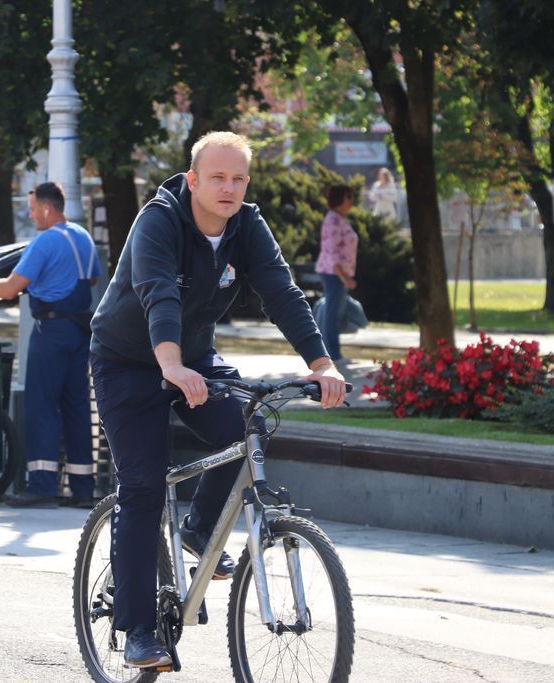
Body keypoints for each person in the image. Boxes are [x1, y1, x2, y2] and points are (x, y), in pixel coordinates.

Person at [88, 131, 347, 669]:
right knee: (141, 484)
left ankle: (200, 527)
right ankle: (137, 628)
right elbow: (157, 290)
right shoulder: (158, 220)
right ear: (193, 180)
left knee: (247, 427)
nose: (228, 188)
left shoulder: (246, 225)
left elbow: (281, 291)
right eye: (217, 177)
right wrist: (168, 363)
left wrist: (321, 364)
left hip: (194, 358)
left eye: (238, 178)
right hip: (129, 361)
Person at [0, 182, 100, 508]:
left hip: (51, 330)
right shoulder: (83, 237)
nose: (31, 216)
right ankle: (83, 489)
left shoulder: (44, 242)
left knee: (42, 405)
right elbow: (93, 279)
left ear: (46, 208)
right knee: (77, 407)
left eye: (32, 210)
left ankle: (41, 485)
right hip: (81, 331)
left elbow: (8, 290)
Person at [315, 184, 358, 362]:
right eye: (348, 197)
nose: (351, 201)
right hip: (333, 274)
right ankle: (333, 355)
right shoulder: (333, 220)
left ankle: (333, 353)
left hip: (338, 274)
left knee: (335, 313)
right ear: (340, 199)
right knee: (332, 315)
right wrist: (344, 277)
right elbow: (332, 253)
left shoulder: (340, 219)